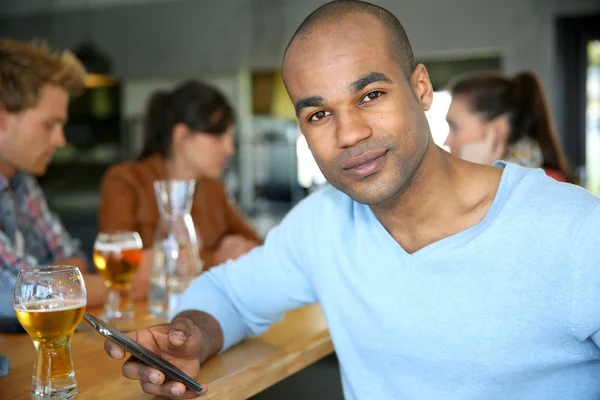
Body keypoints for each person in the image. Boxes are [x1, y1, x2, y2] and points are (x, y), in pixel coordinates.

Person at [104, 2, 600, 399]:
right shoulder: (324, 222)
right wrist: (191, 337)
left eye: (370, 96)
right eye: (318, 115)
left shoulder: (575, 232)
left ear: (421, 88)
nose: (349, 133)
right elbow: (231, 296)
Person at [98, 80, 260, 275]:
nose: (229, 149)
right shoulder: (125, 181)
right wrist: (216, 259)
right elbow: (118, 265)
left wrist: (240, 248)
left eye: (230, 138)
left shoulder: (215, 190)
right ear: (182, 136)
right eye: (218, 136)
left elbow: (259, 246)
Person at [0, 39, 107, 327]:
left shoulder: (21, 181)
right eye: (49, 125)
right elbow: (17, 296)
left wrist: (63, 285)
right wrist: (119, 286)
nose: (61, 140)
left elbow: (71, 257)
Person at [445, 70, 577, 183]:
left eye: (455, 127)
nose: (447, 141)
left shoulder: (548, 185)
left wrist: (475, 176)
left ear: (498, 131)